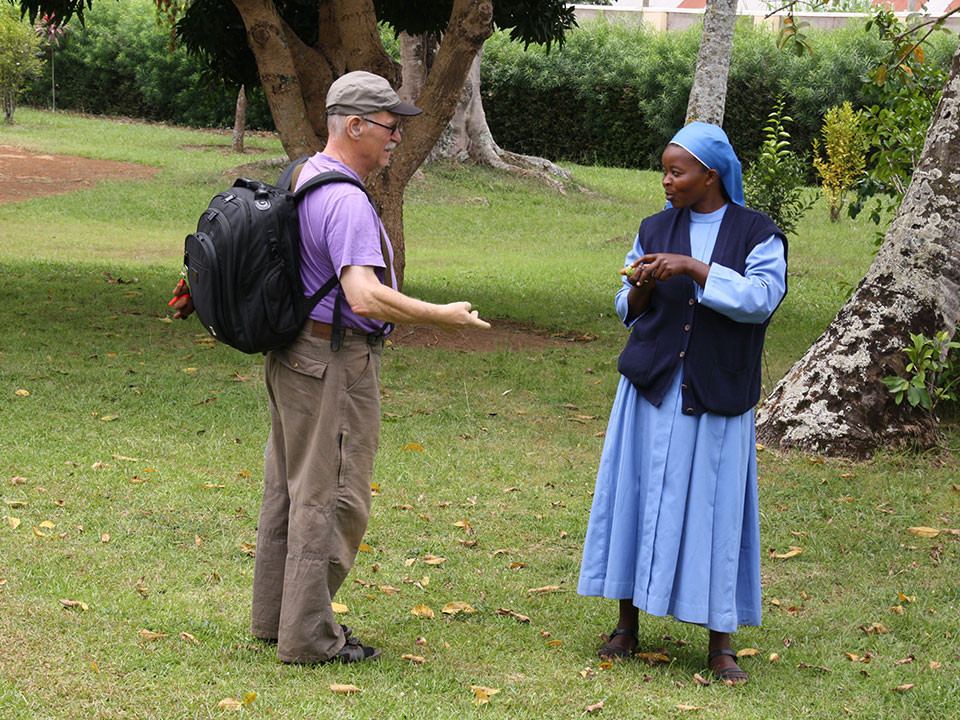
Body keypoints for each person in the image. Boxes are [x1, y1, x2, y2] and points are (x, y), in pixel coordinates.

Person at [171, 70, 489, 664]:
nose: (397, 136)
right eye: (390, 126)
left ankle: (277, 620)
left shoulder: (305, 172)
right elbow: (364, 295)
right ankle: (310, 638)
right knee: (335, 498)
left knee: (288, 491)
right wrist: (439, 314)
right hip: (333, 361)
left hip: (294, 356)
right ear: (356, 125)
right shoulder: (345, 198)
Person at [577, 122, 787, 684]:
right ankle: (626, 624)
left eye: (677, 171)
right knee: (634, 499)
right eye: (665, 170)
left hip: (715, 392)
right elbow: (627, 305)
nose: (666, 181)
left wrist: (692, 268)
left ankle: (720, 642)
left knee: (715, 511)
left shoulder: (758, 234)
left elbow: (760, 300)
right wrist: (641, 283)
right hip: (652, 388)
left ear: (710, 176)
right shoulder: (653, 228)